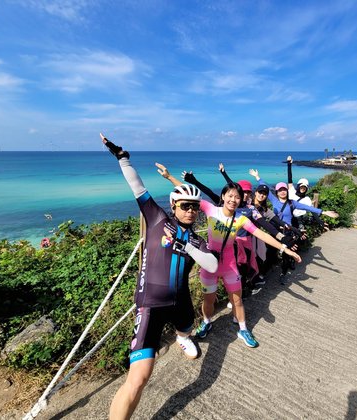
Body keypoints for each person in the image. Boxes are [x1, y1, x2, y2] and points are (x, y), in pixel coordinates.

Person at [101, 134, 218, 420]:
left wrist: (187, 245)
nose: (191, 211)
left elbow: (212, 265)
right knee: (139, 378)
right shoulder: (156, 219)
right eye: (185, 206)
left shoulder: (195, 239)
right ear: (174, 206)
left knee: (187, 328)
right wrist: (122, 157)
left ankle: (181, 338)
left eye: (194, 206)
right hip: (151, 304)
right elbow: (137, 186)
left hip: (179, 301)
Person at [157, 163, 302, 348]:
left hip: (230, 266)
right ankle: (207, 322)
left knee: (237, 300)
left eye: (238, 196)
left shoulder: (241, 219)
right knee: (208, 299)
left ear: (241, 200)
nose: (234, 199)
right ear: (223, 196)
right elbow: (187, 195)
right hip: (210, 264)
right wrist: (170, 177)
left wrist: (285, 248)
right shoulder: (211, 209)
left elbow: (262, 234)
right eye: (230, 195)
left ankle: (242, 329)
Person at [249, 167, 339, 283]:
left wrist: (324, 212)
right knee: (270, 253)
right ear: (276, 192)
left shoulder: (292, 203)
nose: (282, 191)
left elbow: (308, 208)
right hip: (275, 231)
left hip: (288, 231)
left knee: (286, 256)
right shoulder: (274, 200)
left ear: (287, 191)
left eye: (284, 189)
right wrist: (257, 177)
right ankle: (262, 274)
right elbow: (263, 187)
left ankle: (283, 273)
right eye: (280, 190)